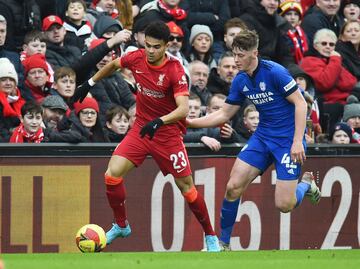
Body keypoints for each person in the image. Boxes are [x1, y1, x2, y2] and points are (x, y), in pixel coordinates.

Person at [74, 21, 221, 251]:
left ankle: (211, 237)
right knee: (112, 175)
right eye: (148, 45)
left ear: (166, 46)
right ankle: (121, 225)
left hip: (168, 135)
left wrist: (160, 121)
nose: (150, 51)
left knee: (187, 188)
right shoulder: (137, 57)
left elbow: (183, 109)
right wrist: (90, 82)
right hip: (142, 129)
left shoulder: (175, 70)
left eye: (156, 47)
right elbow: (114, 64)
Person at [187, 29, 321, 251]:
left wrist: (298, 141)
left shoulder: (275, 72)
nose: (236, 60)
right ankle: (223, 243)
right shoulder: (240, 80)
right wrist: (191, 123)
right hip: (262, 137)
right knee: (233, 186)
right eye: (234, 54)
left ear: (254, 53)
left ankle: (305, 184)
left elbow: (301, 104)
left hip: (287, 140)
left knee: (284, 205)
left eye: (240, 55)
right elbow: (224, 114)